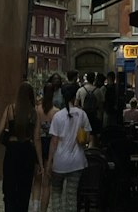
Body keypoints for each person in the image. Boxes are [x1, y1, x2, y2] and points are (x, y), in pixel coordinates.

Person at [0, 82, 43, 212]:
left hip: (12, 150)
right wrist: (40, 163)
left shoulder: (10, 109)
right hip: (27, 151)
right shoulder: (34, 113)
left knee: (9, 187)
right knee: (24, 188)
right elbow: (37, 138)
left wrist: (7, 137)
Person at [46, 81, 90, 212]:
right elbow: (87, 138)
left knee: (56, 193)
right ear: (73, 96)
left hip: (59, 162)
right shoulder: (82, 114)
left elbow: (54, 142)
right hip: (77, 162)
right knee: (71, 196)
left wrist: (49, 162)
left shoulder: (58, 116)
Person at [36, 79, 60, 212]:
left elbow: (36, 135)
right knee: (47, 183)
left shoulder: (37, 110)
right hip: (51, 146)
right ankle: (43, 210)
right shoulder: (57, 112)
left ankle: (34, 207)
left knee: (37, 181)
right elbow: (56, 137)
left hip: (39, 144)